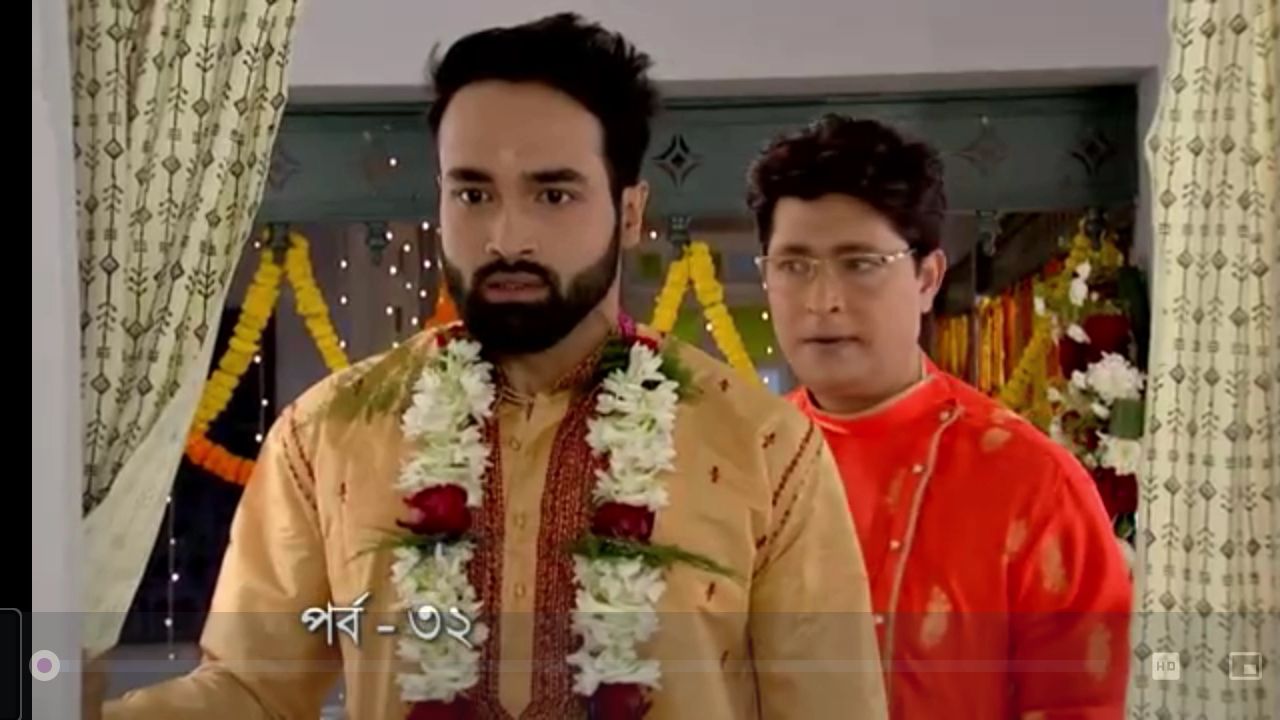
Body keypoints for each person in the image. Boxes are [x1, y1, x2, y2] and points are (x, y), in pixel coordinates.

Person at [100, 15, 888, 720]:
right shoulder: (326, 435)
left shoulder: (762, 450)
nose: (507, 237)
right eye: (473, 194)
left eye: (553, 194)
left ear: (630, 211)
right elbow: (252, 692)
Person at [747, 115, 1132, 719]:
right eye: (794, 265)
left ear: (927, 278)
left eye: (860, 263)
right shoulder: (740, 466)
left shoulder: (1032, 484)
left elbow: (1087, 701)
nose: (823, 301)